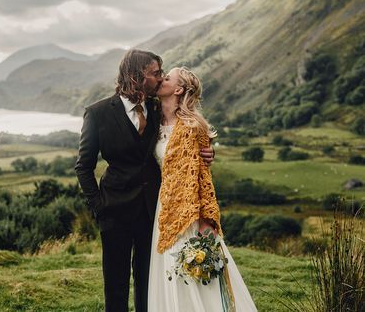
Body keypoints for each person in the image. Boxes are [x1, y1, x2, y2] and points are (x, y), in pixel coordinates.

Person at [75, 50, 215, 312]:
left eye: (163, 74)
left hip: (152, 212)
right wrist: (98, 207)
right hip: (113, 212)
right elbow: (84, 167)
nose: (161, 78)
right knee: (115, 285)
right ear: (137, 77)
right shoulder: (97, 114)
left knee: (149, 284)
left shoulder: (157, 108)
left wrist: (207, 150)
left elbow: (180, 136)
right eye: (155, 73)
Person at [148, 67, 257, 311]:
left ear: (178, 89)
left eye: (167, 78)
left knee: (194, 271)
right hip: (163, 207)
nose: (161, 80)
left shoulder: (193, 127)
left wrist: (207, 219)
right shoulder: (152, 118)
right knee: (168, 270)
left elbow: (203, 179)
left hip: (190, 213)